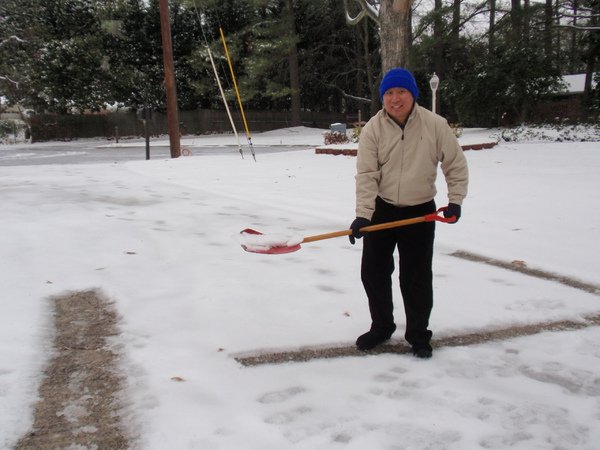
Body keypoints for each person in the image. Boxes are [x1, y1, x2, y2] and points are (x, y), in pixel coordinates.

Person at [349, 67, 468, 359]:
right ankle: (382, 326)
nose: (395, 98)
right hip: (383, 209)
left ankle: (418, 334)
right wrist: (364, 215)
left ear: (413, 94)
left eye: (401, 91)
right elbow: (366, 174)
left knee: (415, 278)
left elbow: (455, 164)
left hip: (420, 212)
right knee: (373, 272)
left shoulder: (435, 125)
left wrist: (455, 201)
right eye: (388, 93)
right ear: (382, 98)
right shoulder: (373, 130)